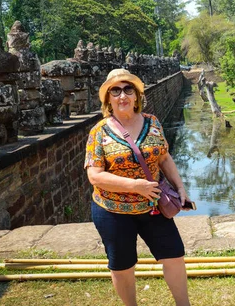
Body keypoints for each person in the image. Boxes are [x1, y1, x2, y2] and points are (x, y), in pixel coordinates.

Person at [84, 68, 192, 306]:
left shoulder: (152, 122)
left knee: (174, 254)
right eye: (116, 91)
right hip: (112, 210)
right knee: (122, 265)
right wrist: (134, 186)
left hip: (153, 205)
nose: (122, 96)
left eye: (128, 89)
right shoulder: (99, 132)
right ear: (108, 99)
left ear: (137, 95)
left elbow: (164, 158)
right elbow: (95, 175)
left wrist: (180, 188)